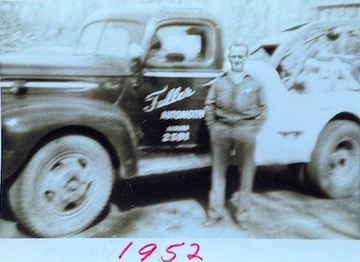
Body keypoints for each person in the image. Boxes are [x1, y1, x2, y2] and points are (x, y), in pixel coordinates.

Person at [204, 43, 267, 229]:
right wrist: (213, 126)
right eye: (234, 57)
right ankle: (214, 214)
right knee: (218, 174)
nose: (237, 60)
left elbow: (264, 109)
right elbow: (210, 104)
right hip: (221, 130)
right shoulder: (220, 81)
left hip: (245, 131)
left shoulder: (253, 82)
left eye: (240, 57)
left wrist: (253, 129)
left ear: (245, 58)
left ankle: (243, 217)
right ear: (229, 58)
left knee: (246, 174)